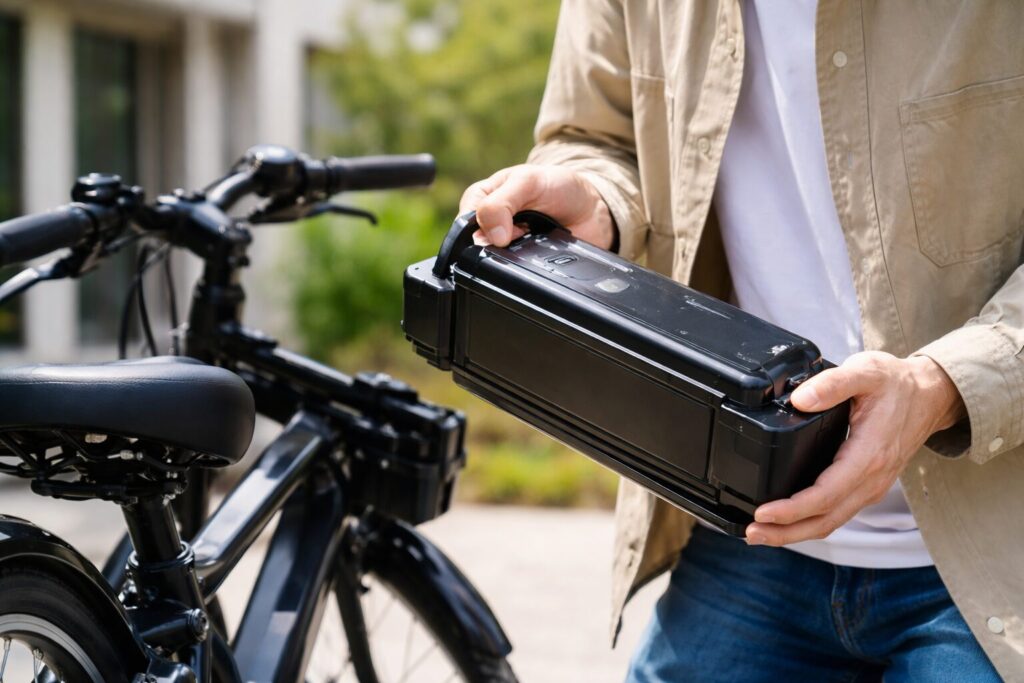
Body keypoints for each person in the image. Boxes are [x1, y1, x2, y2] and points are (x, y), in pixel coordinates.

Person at [459, 1, 1024, 680]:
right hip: (750, 527)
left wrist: (942, 385)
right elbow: (596, 136)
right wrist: (597, 200)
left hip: (995, 550)